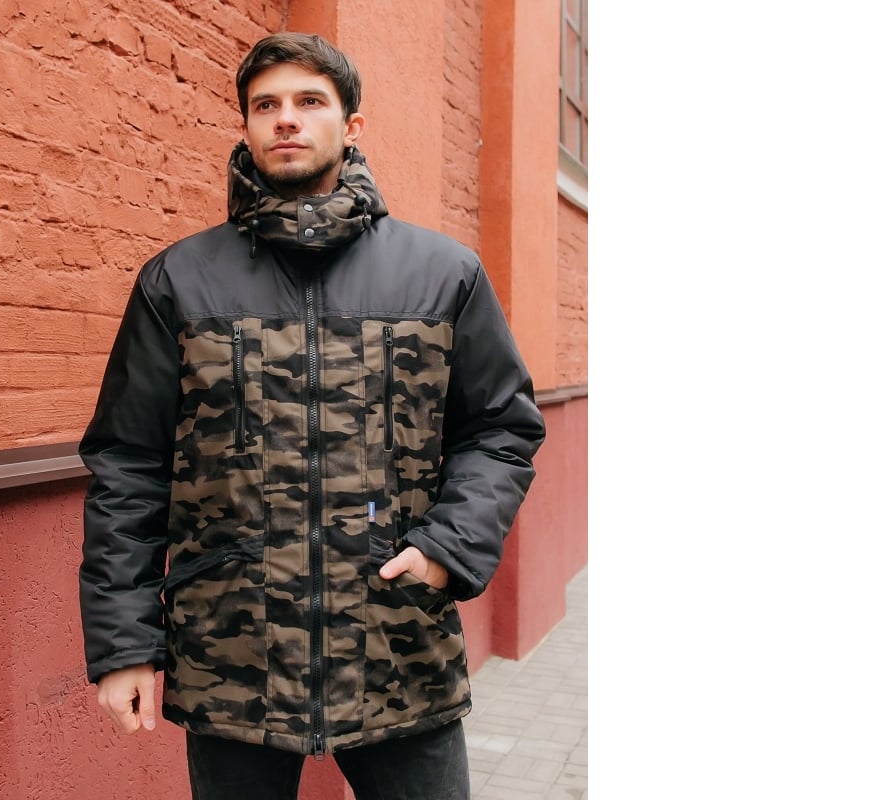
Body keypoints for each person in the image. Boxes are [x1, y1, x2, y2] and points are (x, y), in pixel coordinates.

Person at [77, 32, 546, 800]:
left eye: (309, 101)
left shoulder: (443, 276)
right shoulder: (178, 283)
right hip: (234, 659)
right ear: (246, 125)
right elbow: (129, 464)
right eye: (266, 105)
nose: (286, 119)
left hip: (399, 648)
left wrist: (445, 550)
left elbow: (501, 428)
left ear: (351, 125)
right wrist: (124, 645)